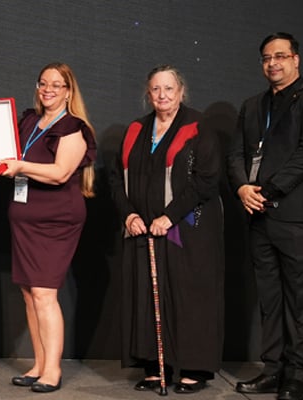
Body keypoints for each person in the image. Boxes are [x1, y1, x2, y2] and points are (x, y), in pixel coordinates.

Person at [228, 32, 303, 400]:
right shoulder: (253, 105)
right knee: (269, 300)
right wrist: (243, 187)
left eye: (281, 56)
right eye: (267, 58)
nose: (273, 63)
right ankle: (272, 371)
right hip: (259, 215)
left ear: (296, 60)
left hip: (298, 216)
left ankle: (296, 377)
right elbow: (236, 154)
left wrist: (265, 192)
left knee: (299, 299)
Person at [109, 65, 224, 394]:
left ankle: (192, 368)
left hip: (187, 228)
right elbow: (116, 178)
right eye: (156, 89)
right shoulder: (136, 129)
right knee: (146, 294)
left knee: (188, 296)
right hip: (142, 228)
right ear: (148, 94)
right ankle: (153, 367)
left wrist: (170, 216)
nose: (162, 95)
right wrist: (129, 214)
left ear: (181, 92)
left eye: (169, 89)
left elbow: (205, 180)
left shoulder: (197, 127)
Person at [2, 62, 96, 394]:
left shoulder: (73, 127)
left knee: (44, 293)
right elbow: (5, 149)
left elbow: (58, 173)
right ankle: (39, 363)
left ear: (69, 91)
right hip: (26, 217)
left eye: (57, 85)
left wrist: (20, 166)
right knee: (29, 293)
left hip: (55, 218)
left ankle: (52, 370)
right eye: (43, 83)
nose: (48, 90)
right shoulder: (30, 120)